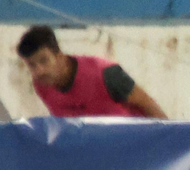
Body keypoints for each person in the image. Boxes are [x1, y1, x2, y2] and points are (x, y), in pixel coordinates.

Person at [16, 25, 166, 119]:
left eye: (44, 60)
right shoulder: (42, 85)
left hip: (131, 148)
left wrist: (170, 145)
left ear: (60, 57)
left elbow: (148, 104)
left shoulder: (107, 74)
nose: (39, 71)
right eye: (32, 65)